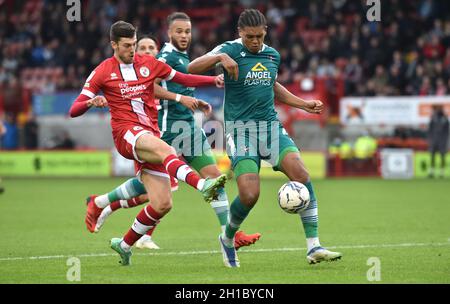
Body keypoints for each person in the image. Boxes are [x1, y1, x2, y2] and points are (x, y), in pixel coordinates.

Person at [189, 9, 342, 267]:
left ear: (266, 32)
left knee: (302, 174)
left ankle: (313, 246)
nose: (256, 42)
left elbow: (272, 85)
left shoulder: (272, 55)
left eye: (260, 36)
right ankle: (227, 238)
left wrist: (302, 104)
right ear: (240, 33)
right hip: (240, 130)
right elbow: (191, 67)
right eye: (250, 37)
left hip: (270, 128)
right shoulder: (230, 49)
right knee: (250, 195)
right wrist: (221, 57)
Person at [69, 21, 228, 266]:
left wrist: (214, 80)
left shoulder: (149, 65)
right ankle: (203, 186)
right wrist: (91, 102)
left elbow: (183, 78)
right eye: (127, 46)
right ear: (113, 45)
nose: (132, 51)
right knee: (168, 150)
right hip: (126, 134)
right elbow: (74, 109)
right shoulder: (103, 71)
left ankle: (123, 244)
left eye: (134, 45)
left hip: (149, 133)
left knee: (162, 204)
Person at [91, 29, 260, 251]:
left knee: (213, 179)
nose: (185, 35)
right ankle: (105, 204)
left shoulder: (180, 57)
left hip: (187, 128)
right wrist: (180, 97)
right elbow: (151, 87)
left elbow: (183, 79)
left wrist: (209, 83)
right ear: (170, 33)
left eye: (189, 31)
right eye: (180, 31)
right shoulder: (161, 60)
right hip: (162, 130)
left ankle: (229, 234)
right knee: (153, 192)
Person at [428, 105, 449, 178]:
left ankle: (442, 172)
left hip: (442, 141)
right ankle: (431, 172)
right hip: (434, 140)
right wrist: (430, 139)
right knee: (432, 156)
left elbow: (447, 131)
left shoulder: (445, 119)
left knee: (442, 156)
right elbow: (430, 130)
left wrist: (446, 141)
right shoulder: (433, 118)